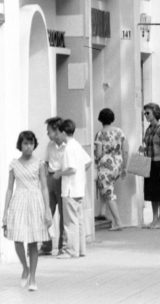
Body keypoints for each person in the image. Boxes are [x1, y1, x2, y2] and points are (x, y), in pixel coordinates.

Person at [2, 131, 52, 291]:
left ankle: (33, 277)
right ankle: (25, 267)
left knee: (32, 242)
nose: (28, 146)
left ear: (34, 145)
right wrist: (5, 212)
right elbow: (9, 189)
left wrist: (47, 209)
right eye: (25, 143)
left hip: (35, 202)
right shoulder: (14, 164)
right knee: (17, 239)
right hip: (19, 201)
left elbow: (44, 187)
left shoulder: (40, 164)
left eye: (31, 143)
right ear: (20, 145)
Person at [53, 119, 92, 259]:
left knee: (70, 222)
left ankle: (71, 250)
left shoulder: (69, 147)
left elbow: (71, 169)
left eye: (59, 132)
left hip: (70, 189)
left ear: (63, 132)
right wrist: (81, 175)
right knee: (79, 220)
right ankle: (81, 249)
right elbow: (88, 162)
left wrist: (59, 174)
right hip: (79, 188)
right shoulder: (77, 145)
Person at [94, 108, 129, 231]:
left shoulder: (100, 134)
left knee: (108, 193)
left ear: (100, 119)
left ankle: (118, 222)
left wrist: (97, 159)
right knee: (107, 188)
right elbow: (125, 150)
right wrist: (124, 167)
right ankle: (102, 212)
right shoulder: (119, 132)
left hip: (105, 165)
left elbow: (98, 153)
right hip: (118, 164)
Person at [141, 103, 160, 229]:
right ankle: (154, 219)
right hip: (149, 163)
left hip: (158, 163)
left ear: (155, 113)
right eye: (144, 113)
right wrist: (142, 148)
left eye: (148, 113)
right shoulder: (148, 129)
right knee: (152, 193)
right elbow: (147, 145)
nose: (146, 115)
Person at [40, 117, 66, 256]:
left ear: (56, 131)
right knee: (46, 211)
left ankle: (62, 245)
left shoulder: (68, 145)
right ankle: (46, 244)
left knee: (63, 214)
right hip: (50, 178)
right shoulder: (49, 146)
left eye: (49, 131)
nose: (47, 134)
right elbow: (45, 162)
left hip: (62, 179)